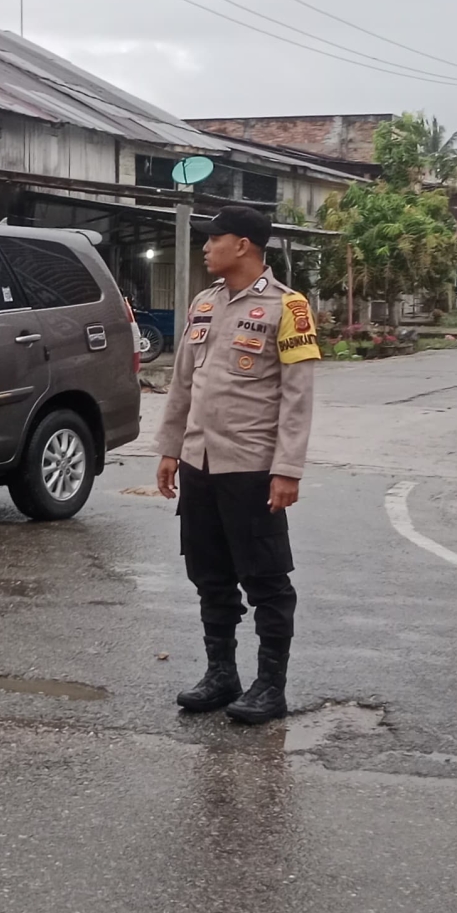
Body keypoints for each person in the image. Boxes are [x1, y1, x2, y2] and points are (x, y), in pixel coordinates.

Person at [154, 204, 321, 724]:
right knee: (210, 575)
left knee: (267, 579)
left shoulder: (288, 308)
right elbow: (183, 383)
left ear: (243, 245)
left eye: (214, 238)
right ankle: (221, 675)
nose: (206, 246)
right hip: (200, 462)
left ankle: (270, 686)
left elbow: (297, 398)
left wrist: (288, 468)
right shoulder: (204, 304)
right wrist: (169, 448)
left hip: (251, 466)